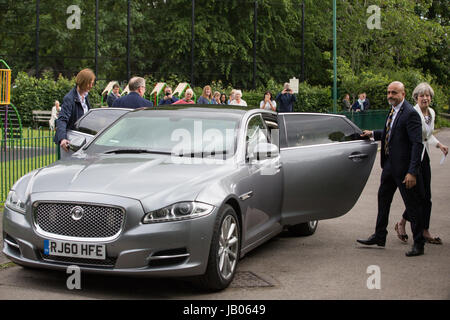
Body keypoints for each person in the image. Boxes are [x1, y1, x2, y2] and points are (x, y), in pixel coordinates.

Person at [357, 81, 426, 257]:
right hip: (389, 166)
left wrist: (412, 172)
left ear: (403, 94)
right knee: (383, 200)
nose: (390, 96)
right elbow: (391, 133)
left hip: (404, 170)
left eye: (394, 93)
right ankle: (380, 236)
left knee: (412, 205)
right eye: (388, 92)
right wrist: (372, 133)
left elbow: (417, 144)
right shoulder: (394, 110)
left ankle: (419, 243)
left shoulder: (410, 114)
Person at [394, 83, 448, 245]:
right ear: (416, 97)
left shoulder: (431, 113)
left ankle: (424, 230)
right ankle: (403, 223)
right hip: (413, 158)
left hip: (425, 157)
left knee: (427, 197)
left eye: (428, 95)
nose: (425, 98)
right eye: (421, 95)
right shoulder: (412, 112)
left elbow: (427, 136)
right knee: (419, 196)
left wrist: (439, 144)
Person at [54, 68, 95, 152]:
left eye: (92, 83)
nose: (91, 86)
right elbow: (62, 119)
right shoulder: (69, 98)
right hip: (73, 141)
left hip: (84, 139)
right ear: (83, 82)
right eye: (89, 83)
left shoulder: (85, 96)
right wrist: (62, 139)